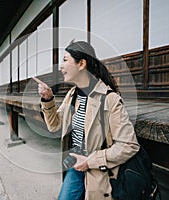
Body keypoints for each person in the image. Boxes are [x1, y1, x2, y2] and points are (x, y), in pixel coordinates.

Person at [33, 41, 139, 200]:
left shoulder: (110, 99)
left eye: (65, 60)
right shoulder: (72, 95)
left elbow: (129, 145)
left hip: (99, 169)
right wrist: (48, 99)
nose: (61, 67)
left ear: (81, 64)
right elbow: (55, 126)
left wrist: (90, 161)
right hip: (75, 165)